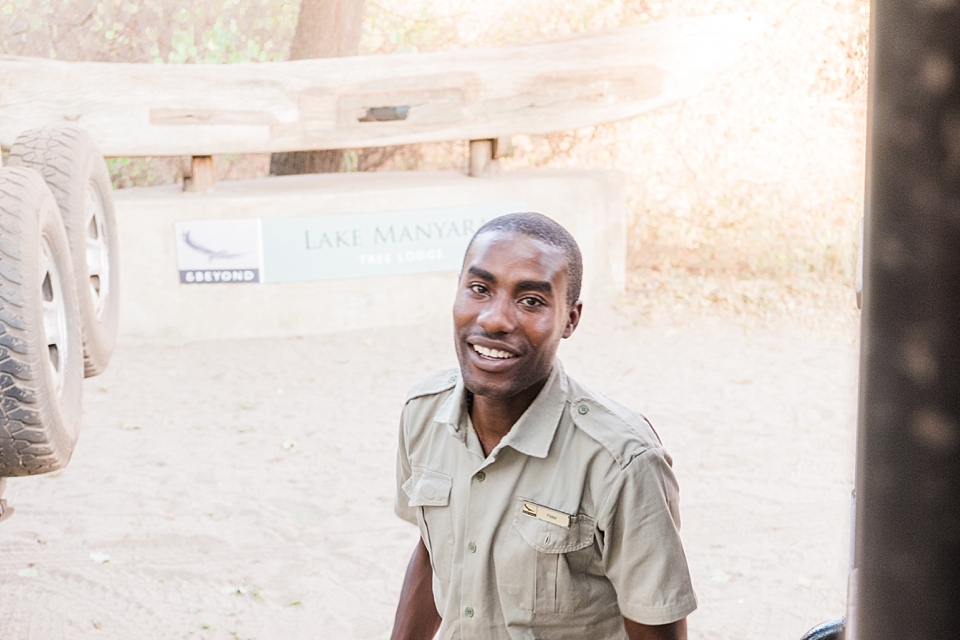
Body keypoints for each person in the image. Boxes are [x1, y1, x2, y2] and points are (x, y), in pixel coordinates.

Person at [391, 212, 696, 640]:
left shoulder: (622, 461)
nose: (495, 319)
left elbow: (655, 628)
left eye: (531, 300)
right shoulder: (422, 412)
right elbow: (432, 548)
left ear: (570, 319)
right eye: (479, 289)